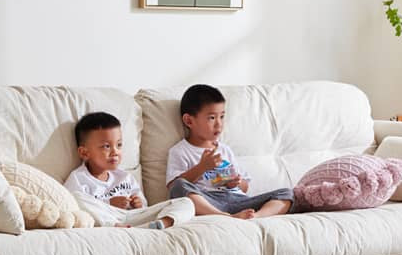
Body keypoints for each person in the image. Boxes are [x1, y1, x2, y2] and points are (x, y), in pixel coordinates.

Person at [167, 84, 293, 219]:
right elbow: (173, 187)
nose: (219, 124)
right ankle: (224, 216)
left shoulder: (225, 150)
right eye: (211, 118)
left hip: (237, 200)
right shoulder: (180, 151)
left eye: (221, 116)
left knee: (287, 193)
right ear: (189, 121)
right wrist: (202, 167)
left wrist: (235, 183)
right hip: (208, 202)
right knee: (179, 186)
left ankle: (255, 217)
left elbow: (244, 187)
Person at [64, 111, 194, 228]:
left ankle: (160, 223)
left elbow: (143, 205)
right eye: (106, 146)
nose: (115, 152)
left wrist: (138, 203)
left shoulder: (125, 177)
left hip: (134, 217)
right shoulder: (78, 178)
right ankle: (117, 227)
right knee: (75, 198)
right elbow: (72, 206)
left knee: (186, 202)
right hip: (107, 218)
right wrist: (108, 202)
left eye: (119, 145)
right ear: (84, 153)